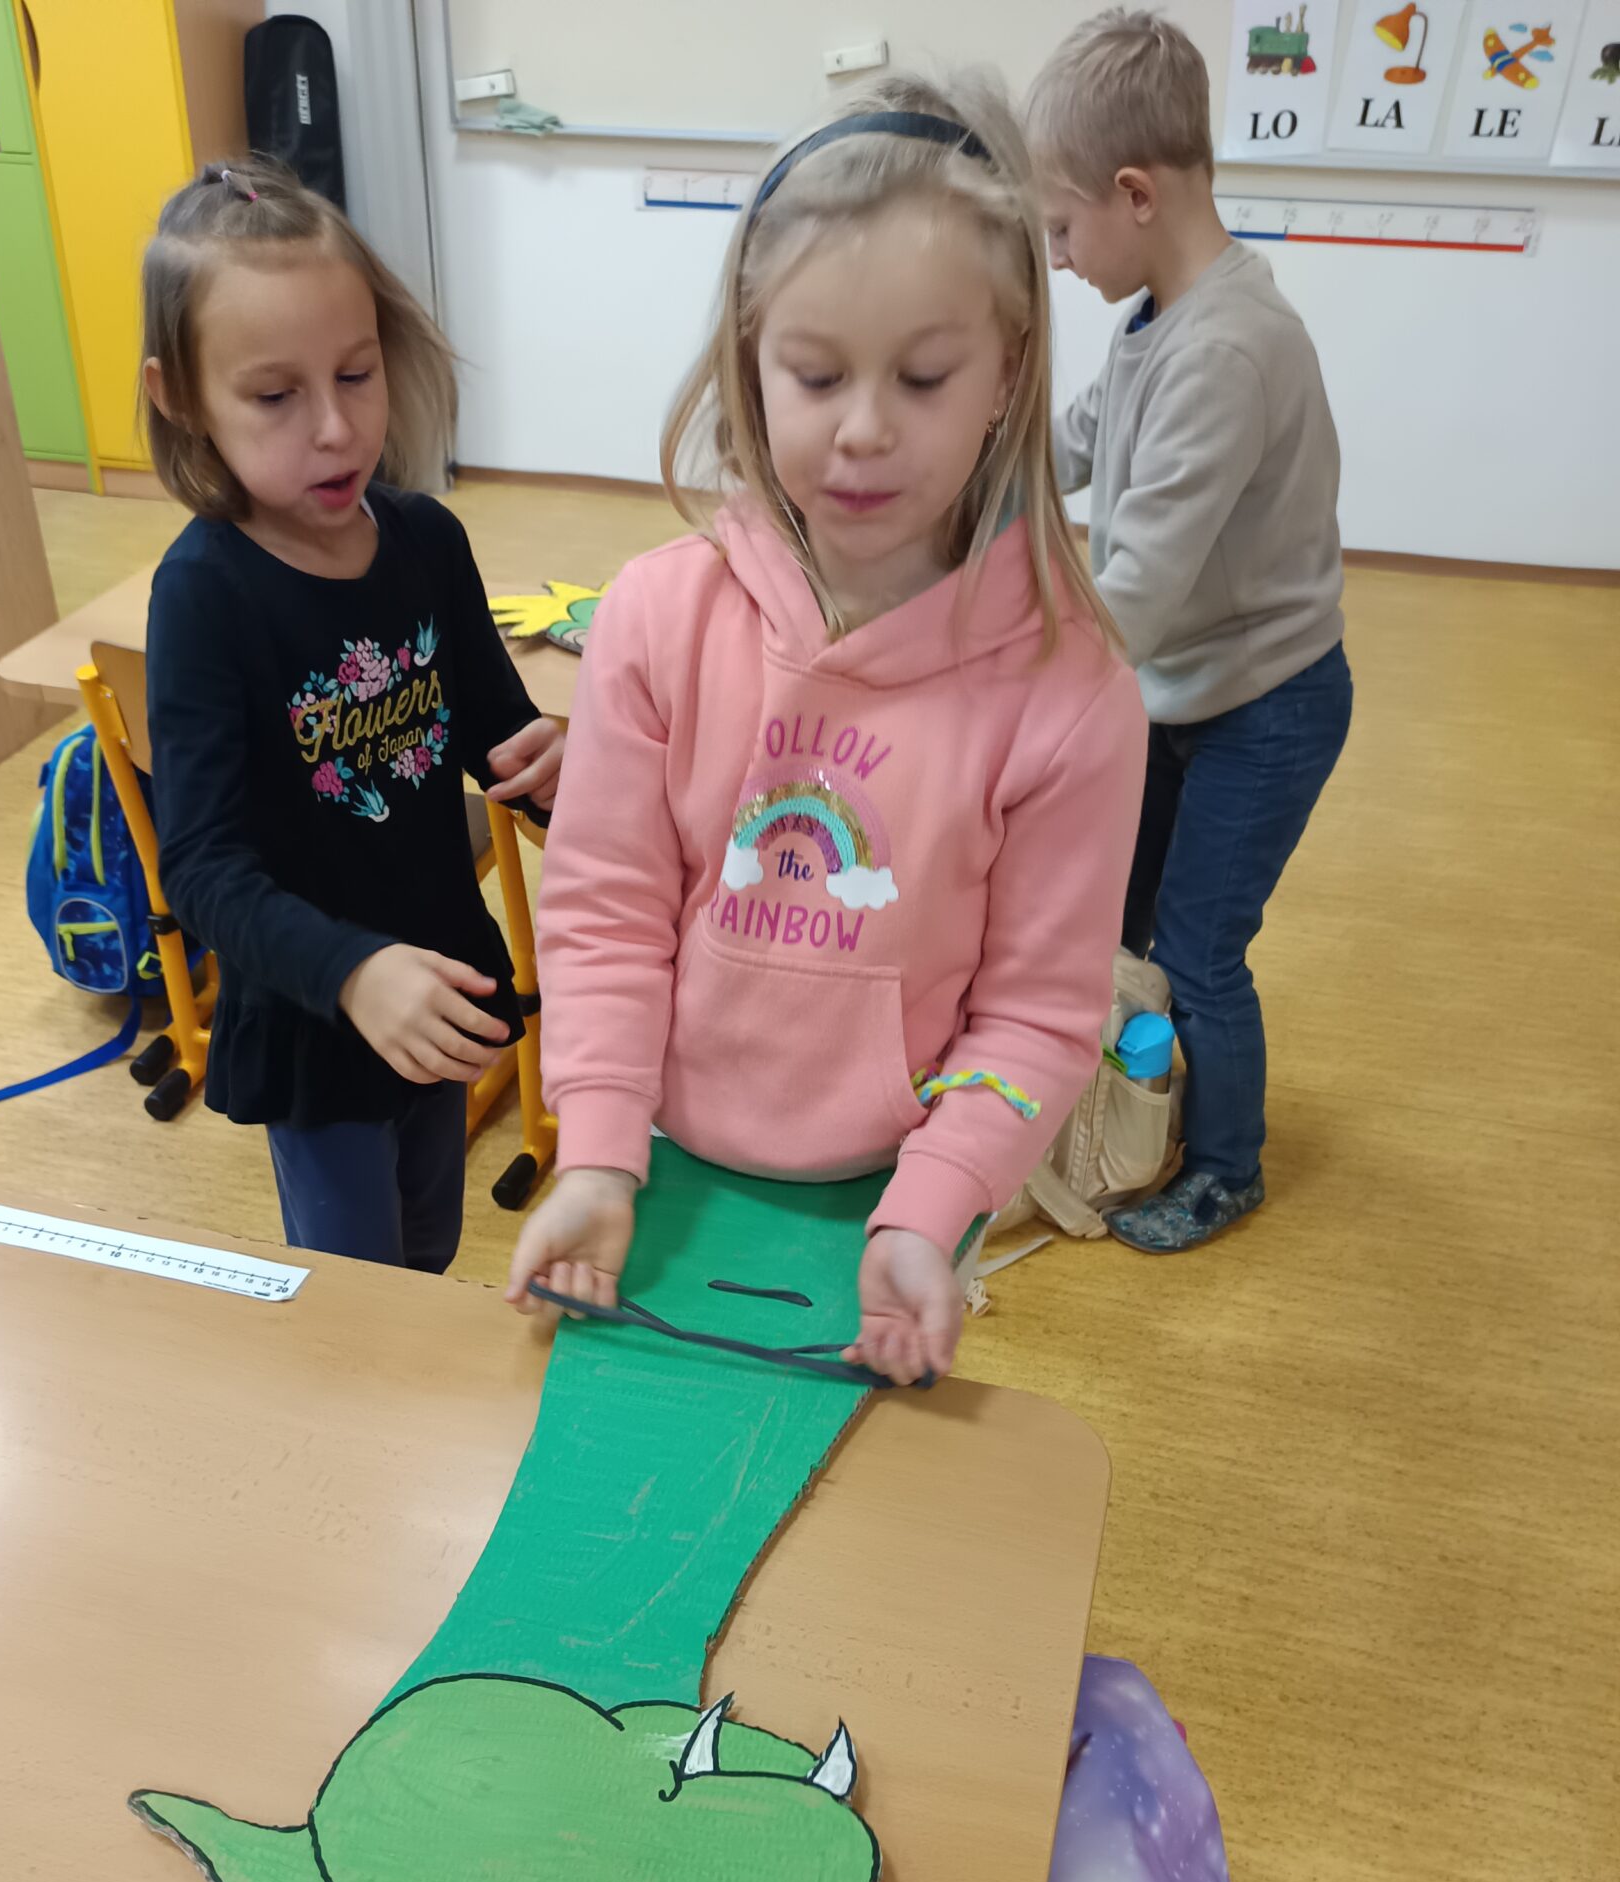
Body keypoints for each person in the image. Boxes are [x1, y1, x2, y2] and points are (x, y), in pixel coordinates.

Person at [505, 75, 1146, 1383]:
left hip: (900, 1195)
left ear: (1009, 369)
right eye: (814, 373)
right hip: (654, 1162)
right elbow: (607, 913)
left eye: (924, 376)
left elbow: (1037, 1017)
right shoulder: (655, 618)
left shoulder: (1072, 695)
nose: (862, 429)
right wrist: (599, 1150)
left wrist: (931, 1209)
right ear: (752, 358)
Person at [141, 159, 563, 1269]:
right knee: (356, 1293)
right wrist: (353, 972)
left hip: (441, 995)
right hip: (318, 1021)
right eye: (275, 397)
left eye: (357, 374)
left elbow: (498, 736)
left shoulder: (427, 541)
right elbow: (202, 869)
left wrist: (560, 769)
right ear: (180, 396)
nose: (335, 428)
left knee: (432, 1249)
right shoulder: (205, 594)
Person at [1027, 10, 1352, 1253]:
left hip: (1266, 707)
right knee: (1120, 919)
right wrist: (969, 469)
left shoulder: (1230, 350)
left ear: (1133, 195)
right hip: (1183, 689)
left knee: (1203, 947)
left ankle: (1225, 1165)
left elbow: (1138, 589)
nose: (1059, 256)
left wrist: (993, 665)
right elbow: (1077, 442)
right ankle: (1131, 1105)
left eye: (1063, 229)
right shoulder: (1155, 316)